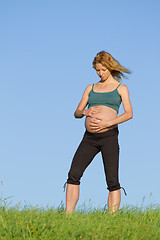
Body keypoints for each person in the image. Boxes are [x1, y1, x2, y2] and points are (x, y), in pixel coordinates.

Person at [65, 51, 133, 214]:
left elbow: (129, 113)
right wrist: (85, 113)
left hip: (109, 137)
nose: (100, 73)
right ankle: (67, 217)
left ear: (110, 68)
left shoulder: (121, 88)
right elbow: (77, 112)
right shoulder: (91, 87)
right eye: (97, 70)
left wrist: (109, 122)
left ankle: (112, 218)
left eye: (103, 69)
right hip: (89, 138)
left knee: (112, 180)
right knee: (74, 174)